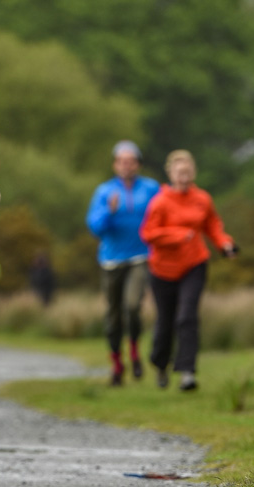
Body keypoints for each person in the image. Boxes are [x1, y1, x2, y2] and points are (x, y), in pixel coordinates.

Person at [140, 149, 237, 391]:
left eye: (188, 171)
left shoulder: (202, 199)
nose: (184, 175)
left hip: (194, 264)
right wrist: (178, 235)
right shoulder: (160, 202)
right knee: (165, 321)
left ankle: (187, 372)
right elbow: (148, 234)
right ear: (170, 173)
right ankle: (161, 364)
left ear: (193, 172)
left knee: (187, 317)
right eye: (179, 171)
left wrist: (224, 243)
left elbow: (213, 225)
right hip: (162, 270)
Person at [86, 140, 160, 386]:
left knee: (132, 306)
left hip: (141, 257)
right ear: (115, 165)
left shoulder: (151, 189)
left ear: (138, 164)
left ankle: (136, 351)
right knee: (113, 317)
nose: (127, 166)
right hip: (111, 261)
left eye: (131, 161)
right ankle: (118, 365)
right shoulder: (105, 192)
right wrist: (109, 211)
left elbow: (164, 214)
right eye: (122, 162)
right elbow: (95, 227)